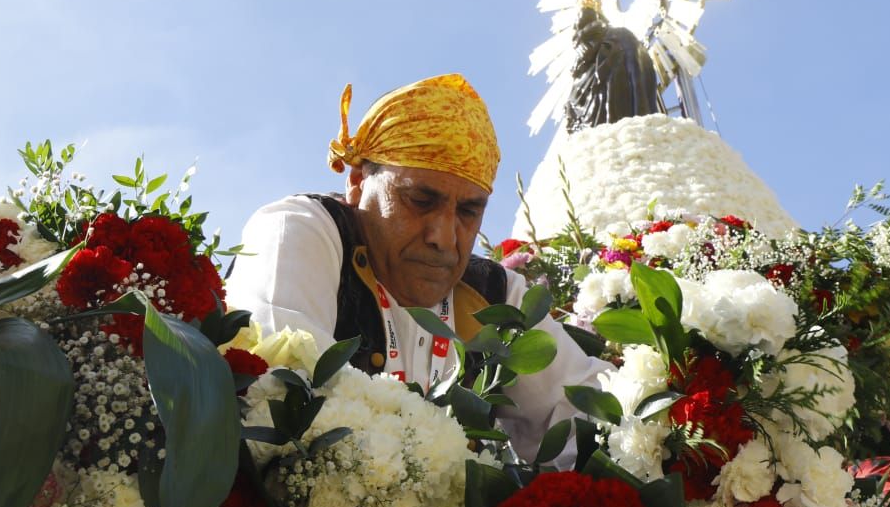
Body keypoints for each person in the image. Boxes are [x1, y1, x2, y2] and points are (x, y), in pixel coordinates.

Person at [225, 73, 606, 462]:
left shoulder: (497, 294)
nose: (443, 236)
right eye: (420, 200)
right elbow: (283, 397)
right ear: (356, 183)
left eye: (468, 212)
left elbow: (587, 421)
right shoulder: (303, 230)